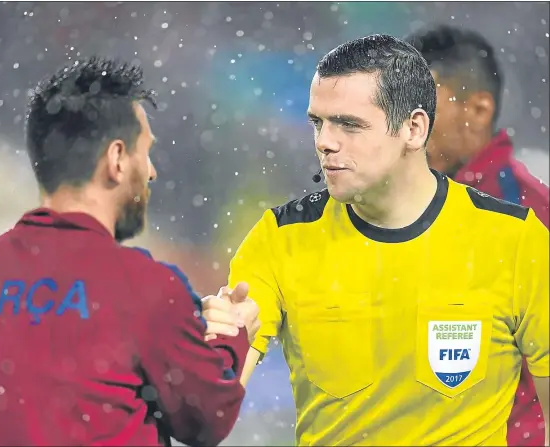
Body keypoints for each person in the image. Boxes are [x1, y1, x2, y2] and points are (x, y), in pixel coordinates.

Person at [218, 35, 549, 446]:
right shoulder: (279, 238)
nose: (325, 141)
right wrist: (224, 344)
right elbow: (213, 407)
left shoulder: (517, 237)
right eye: (318, 123)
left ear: (413, 128)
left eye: (349, 124)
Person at [0, 56, 259, 447]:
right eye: (145, 151)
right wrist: (231, 338)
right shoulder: (146, 287)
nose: (151, 172)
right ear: (116, 159)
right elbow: (206, 420)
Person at [406, 24, 549, 446]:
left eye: (421, 105)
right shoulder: (384, 207)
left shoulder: (532, 216)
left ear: (478, 110)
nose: (407, 124)